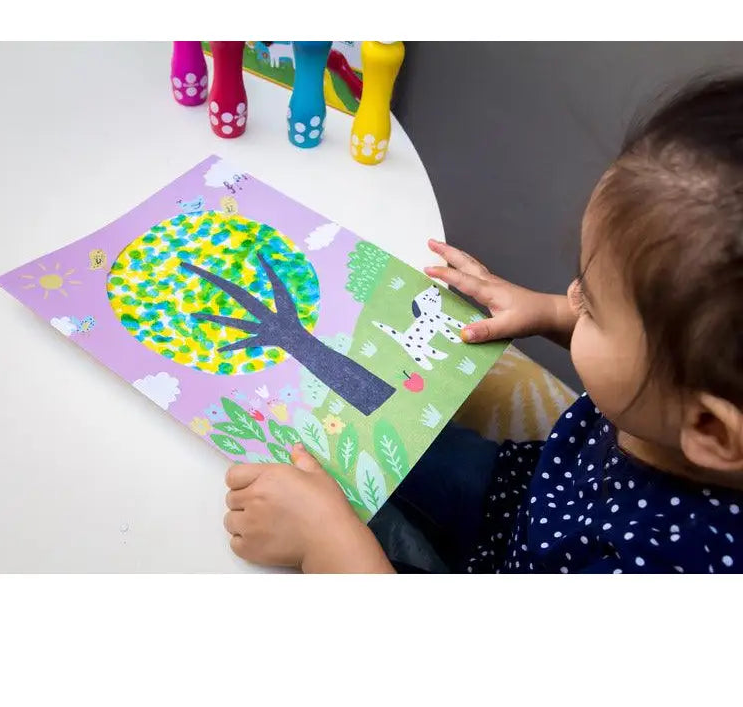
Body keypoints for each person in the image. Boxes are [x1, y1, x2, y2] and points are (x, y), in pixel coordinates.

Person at [222, 74, 743, 573]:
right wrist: (552, 313)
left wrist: (325, 543)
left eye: (592, 307)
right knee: (360, 435)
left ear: (709, 428)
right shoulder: (682, 407)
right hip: (522, 496)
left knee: (329, 504)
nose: (572, 294)